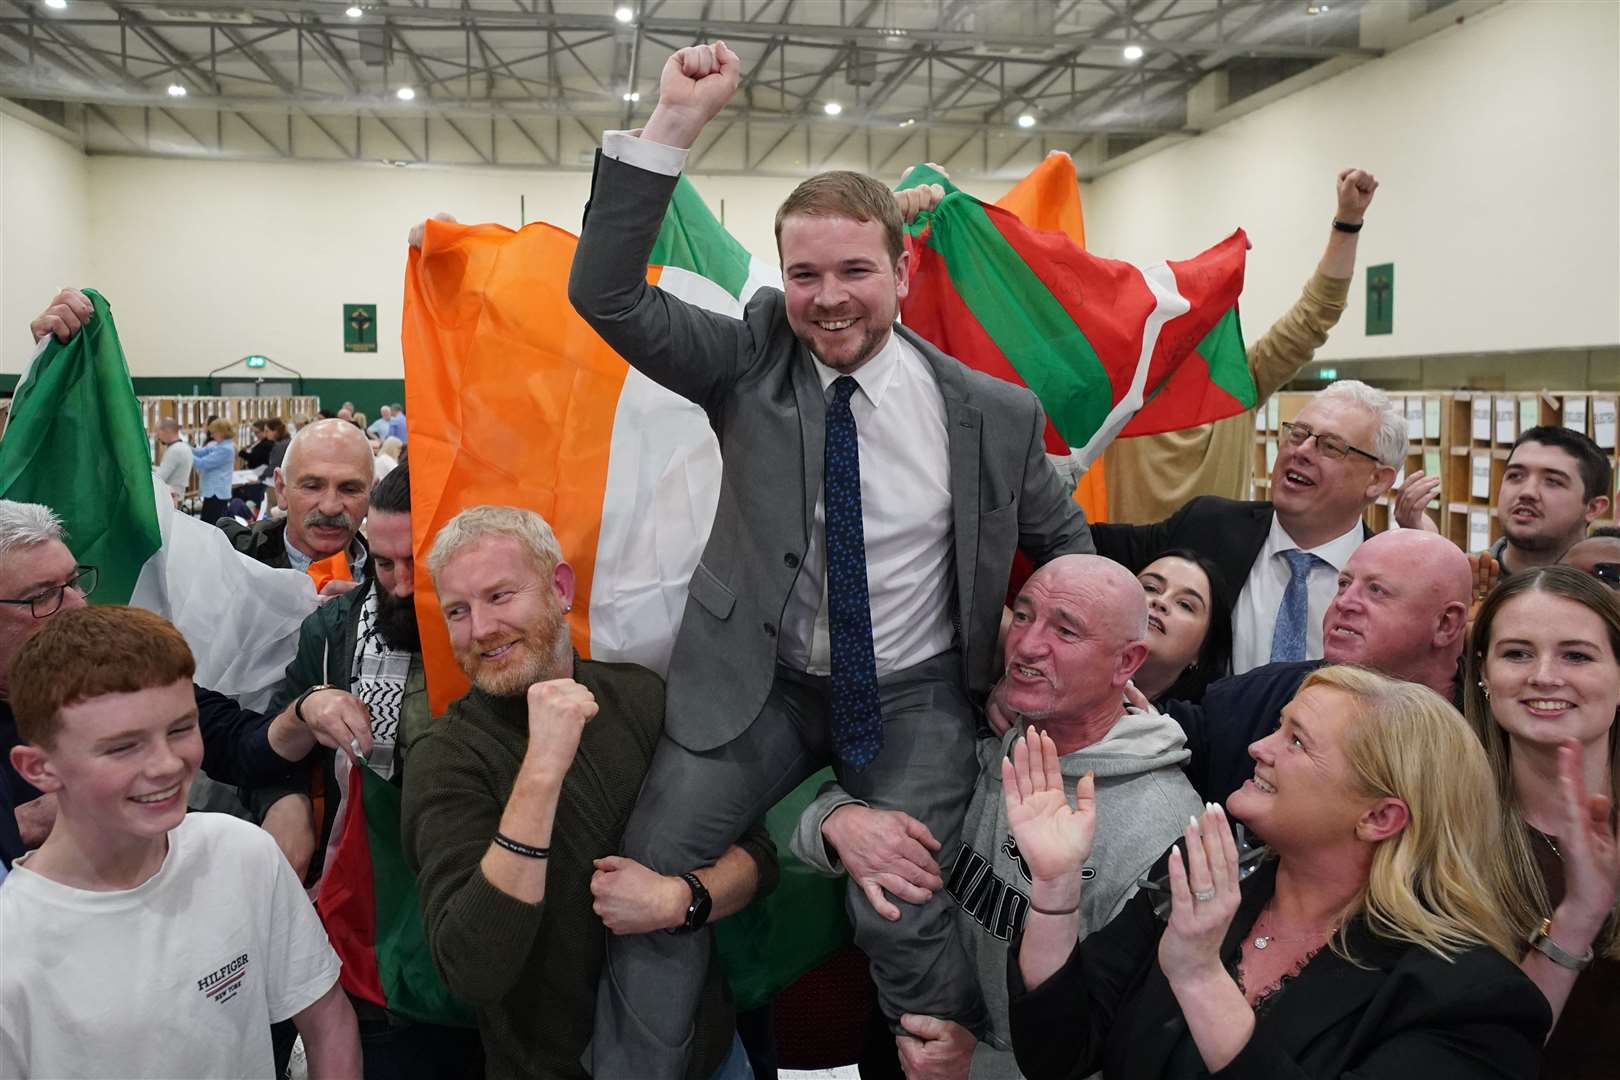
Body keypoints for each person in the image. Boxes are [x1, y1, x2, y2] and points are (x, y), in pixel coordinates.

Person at [563, 41, 1092, 1076]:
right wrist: (671, 124)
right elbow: (607, 296)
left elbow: (1065, 551)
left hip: (916, 696)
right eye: (805, 274)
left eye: (856, 270)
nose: (829, 297)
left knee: (898, 895)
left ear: (903, 270)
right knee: (647, 885)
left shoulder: (992, 413)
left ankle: (935, 1056)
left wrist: (1043, 671)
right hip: (750, 688)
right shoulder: (751, 356)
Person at [1005, 664, 1550, 1079]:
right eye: (1278, 727)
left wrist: (1201, 979)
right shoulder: (1206, 873)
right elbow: (1057, 1053)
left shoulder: (1471, 997)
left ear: (1380, 816)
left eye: (1296, 742)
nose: (1257, 748)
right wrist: (1055, 886)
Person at [401, 504, 776, 1080]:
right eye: (458, 610)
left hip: (711, 1056)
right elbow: (472, 969)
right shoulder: (445, 757)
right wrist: (542, 767)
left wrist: (680, 899)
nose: (480, 630)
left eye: (500, 596)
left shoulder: (642, 696)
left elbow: (757, 855)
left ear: (560, 587)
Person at [793, 555, 1202, 1079]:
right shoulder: (982, 736)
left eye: (1065, 630)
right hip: (898, 1043)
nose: (1027, 645)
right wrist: (838, 820)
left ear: (1127, 663)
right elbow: (815, 826)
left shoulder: (1165, 832)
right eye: (1024, 615)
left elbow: (1137, 1054)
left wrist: (982, 1067)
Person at [0, 605, 362, 1079]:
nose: (167, 764)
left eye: (180, 729)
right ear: (38, 768)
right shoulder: (14, 945)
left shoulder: (242, 854)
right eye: (123, 746)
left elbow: (328, 1021)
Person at [0, 499, 366, 870]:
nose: (76, 606)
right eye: (42, 596)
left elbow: (237, 743)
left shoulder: (112, 667)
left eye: (74, 583)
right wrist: (13, 830)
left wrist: (302, 724)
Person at [1101, 168, 1379, 524]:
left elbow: (1315, 315)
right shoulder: (1121, 390)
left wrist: (1347, 223)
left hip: (1222, 575)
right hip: (1131, 573)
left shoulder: (1238, 383)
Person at [1091, 379, 1403, 674]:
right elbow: (1084, 543)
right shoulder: (1208, 526)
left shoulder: (1392, 585)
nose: (1302, 451)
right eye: (1297, 434)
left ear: (1377, 480)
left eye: (1331, 446)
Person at [1150, 527, 1472, 805]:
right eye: (1344, 584)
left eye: (1376, 591)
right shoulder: (1254, 697)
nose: (1344, 602)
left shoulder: (1496, 731)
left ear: (1445, 624)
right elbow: (1163, 736)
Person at [1464, 566, 1619, 1079]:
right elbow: (1473, 1054)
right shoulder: (1441, 835)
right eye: (1517, 653)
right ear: (1484, 674)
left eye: (1576, 655)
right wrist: (1577, 916)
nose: (1544, 675)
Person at [1398, 426, 1613, 576]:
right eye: (1515, 476)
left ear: (1593, 508)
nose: (1527, 492)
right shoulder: (1462, 578)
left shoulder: (1607, 592)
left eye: (1552, 482)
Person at [219, 417, 372, 588]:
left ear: (372, 494)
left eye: (349, 489)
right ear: (281, 488)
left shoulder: (398, 583)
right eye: (312, 487)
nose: (330, 507)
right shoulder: (229, 562)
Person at [1132, 551, 1234, 706]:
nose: (1161, 602)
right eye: (1150, 588)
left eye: (1185, 605)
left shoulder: (1197, 727)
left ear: (1203, 649)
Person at [192, 418, 238, 525]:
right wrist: (184, 446)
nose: (211, 436)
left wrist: (184, 453)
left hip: (216, 493)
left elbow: (202, 463)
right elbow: (201, 452)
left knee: (209, 524)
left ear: (222, 432)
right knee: (207, 523)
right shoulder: (220, 445)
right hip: (214, 493)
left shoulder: (225, 449)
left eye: (213, 433)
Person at [154, 416, 194, 506]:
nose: (157, 436)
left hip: (170, 500)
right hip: (177, 496)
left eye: (158, 431)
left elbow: (160, 477)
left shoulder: (175, 450)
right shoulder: (184, 447)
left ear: (167, 431)